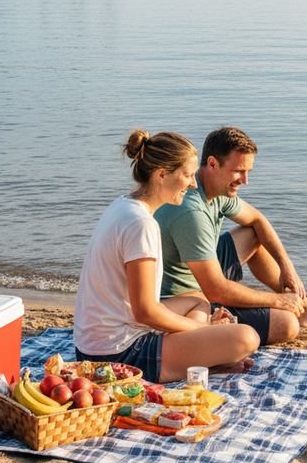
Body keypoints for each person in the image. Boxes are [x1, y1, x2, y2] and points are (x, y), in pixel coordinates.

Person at [74, 130, 260, 383]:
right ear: (161, 174)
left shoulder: (123, 205)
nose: (194, 184)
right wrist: (205, 329)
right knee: (246, 337)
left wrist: (200, 331)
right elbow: (145, 312)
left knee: (197, 301)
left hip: (94, 345)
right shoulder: (141, 224)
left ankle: (192, 359)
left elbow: (141, 310)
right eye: (188, 175)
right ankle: (192, 362)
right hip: (117, 354)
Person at [155, 126, 307, 346]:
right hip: (187, 298)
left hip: (200, 270)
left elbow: (257, 220)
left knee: (252, 234)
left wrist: (287, 267)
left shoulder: (216, 188)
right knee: (286, 324)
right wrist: (279, 301)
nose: (245, 180)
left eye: (248, 171)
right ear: (212, 164)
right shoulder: (191, 211)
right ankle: (295, 308)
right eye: (238, 171)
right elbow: (215, 289)